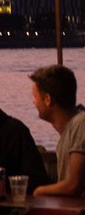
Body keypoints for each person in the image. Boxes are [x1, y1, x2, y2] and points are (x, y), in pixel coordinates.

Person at [30, 65, 85, 198]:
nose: (33, 102)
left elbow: (74, 186)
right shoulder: (70, 129)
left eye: (35, 96)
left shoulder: (80, 124)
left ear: (48, 99)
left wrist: (39, 192)